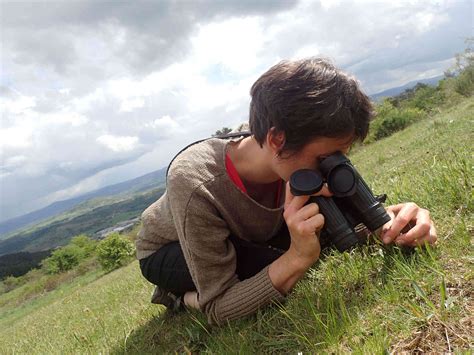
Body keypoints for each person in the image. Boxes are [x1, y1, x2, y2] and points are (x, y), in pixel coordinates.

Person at [136, 58, 437, 325]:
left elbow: (344, 229)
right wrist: (295, 258)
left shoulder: (294, 159)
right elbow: (219, 307)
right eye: (325, 158)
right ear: (278, 139)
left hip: (254, 233)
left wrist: (392, 222)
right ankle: (181, 297)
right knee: (267, 265)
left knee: (309, 245)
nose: (330, 169)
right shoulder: (195, 183)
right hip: (167, 250)